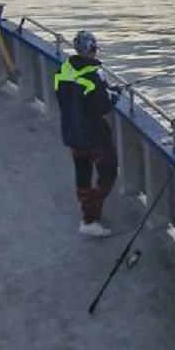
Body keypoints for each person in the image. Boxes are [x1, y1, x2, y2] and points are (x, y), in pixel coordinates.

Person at [54, 30, 120, 237]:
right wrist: (115, 93)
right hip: (94, 137)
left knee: (82, 174)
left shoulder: (65, 69)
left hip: (72, 133)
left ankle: (88, 212)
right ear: (91, 50)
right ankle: (90, 217)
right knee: (108, 173)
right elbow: (102, 106)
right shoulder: (92, 75)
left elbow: (64, 97)